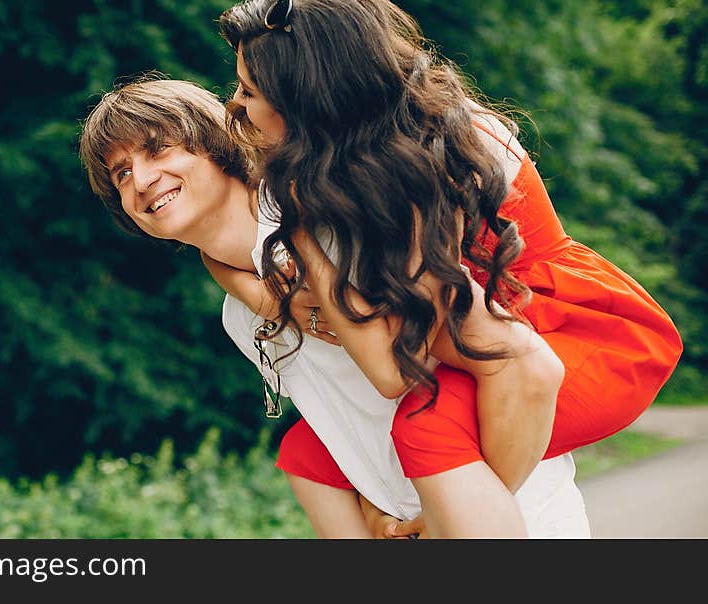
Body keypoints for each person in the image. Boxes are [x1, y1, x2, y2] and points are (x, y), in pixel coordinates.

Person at [216, 0, 683, 535]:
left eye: (248, 91)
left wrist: (427, 518)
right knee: (313, 451)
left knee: (424, 428)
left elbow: (413, 363)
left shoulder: (416, 164)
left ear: (309, 103)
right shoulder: (346, 161)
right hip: (489, 320)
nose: (234, 105)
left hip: (575, 328)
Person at [78, 77, 592, 538]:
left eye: (158, 151)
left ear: (215, 146)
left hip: (510, 501)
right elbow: (347, 424)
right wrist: (378, 506)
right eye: (121, 174)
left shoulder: (329, 215)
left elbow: (427, 370)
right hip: (411, 517)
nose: (142, 180)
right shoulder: (239, 317)